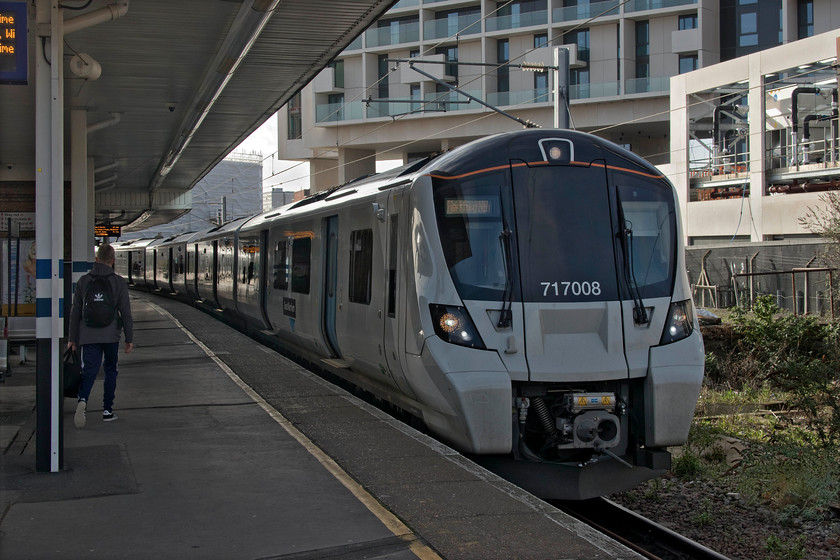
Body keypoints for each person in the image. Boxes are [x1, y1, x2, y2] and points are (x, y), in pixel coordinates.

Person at [67, 243, 134, 428]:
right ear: (112, 261)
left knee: (89, 370)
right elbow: (125, 313)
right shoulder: (118, 282)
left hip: (88, 335)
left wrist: (72, 339)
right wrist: (129, 339)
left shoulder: (83, 281)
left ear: (96, 260)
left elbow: (75, 313)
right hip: (111, 334)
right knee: (110, 370)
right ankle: (107, 411)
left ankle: (83, 400)